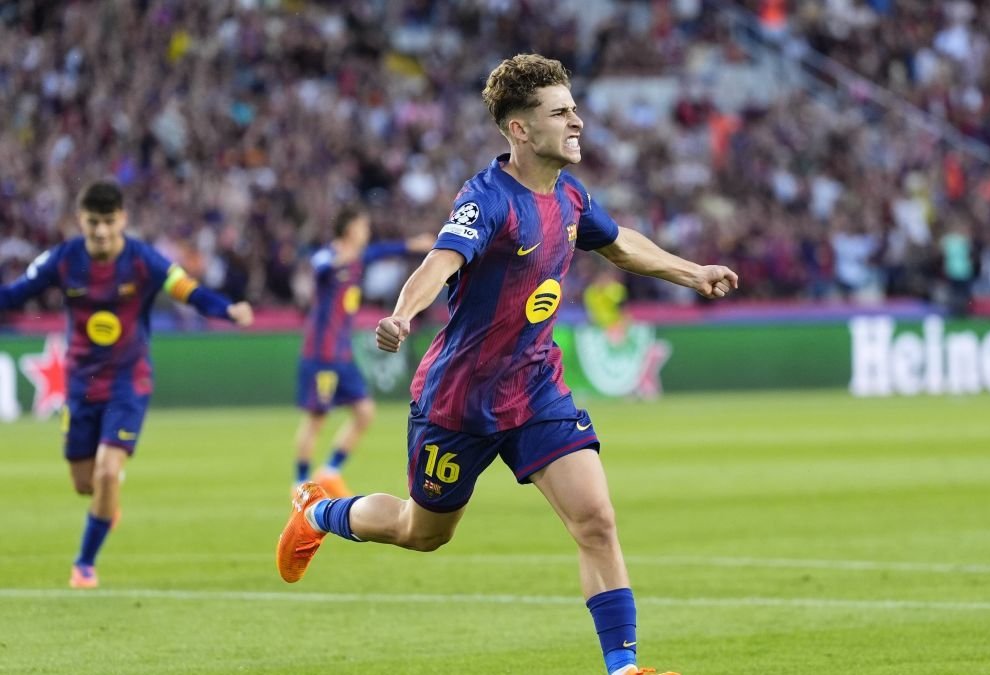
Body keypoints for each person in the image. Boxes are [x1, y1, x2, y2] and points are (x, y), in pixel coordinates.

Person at [276, 54, 738, 675]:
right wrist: (405, 313)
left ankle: (624, 667)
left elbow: (621, 242)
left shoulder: (571, 195)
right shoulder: (487, 199)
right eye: (561, 112)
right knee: (423, 531)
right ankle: (317, 512)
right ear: (520, 129)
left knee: (596, 520)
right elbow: (439, 262)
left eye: (574, 108)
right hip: (459, 402)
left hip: (536, 390)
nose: (577, 121)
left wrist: (692, 271)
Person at [0, 180, 254, 588]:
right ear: (80, 221)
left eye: (107, 222)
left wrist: (227, 310)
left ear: (122, 219)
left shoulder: (143, 261)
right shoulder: (63, 261)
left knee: (105, 472)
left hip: (128, 381)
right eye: (92, 223)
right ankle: (108, 500)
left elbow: (189, 290)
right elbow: (14, 295)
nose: (100, 231)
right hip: (81, 383)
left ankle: (84, 564)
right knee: (85, 484)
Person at [294, 205, 433, 496]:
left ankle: (330, 471)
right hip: (322, 354)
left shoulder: (359, 259)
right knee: (317, 419)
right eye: (363, 226)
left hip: (342, 354)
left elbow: (384, 250)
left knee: (365, 412)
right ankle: (300, 483)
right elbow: (319, 265)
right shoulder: (329, 259)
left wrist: (414, 245)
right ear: (350, 229)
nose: (367, 231)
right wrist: (339, 259)